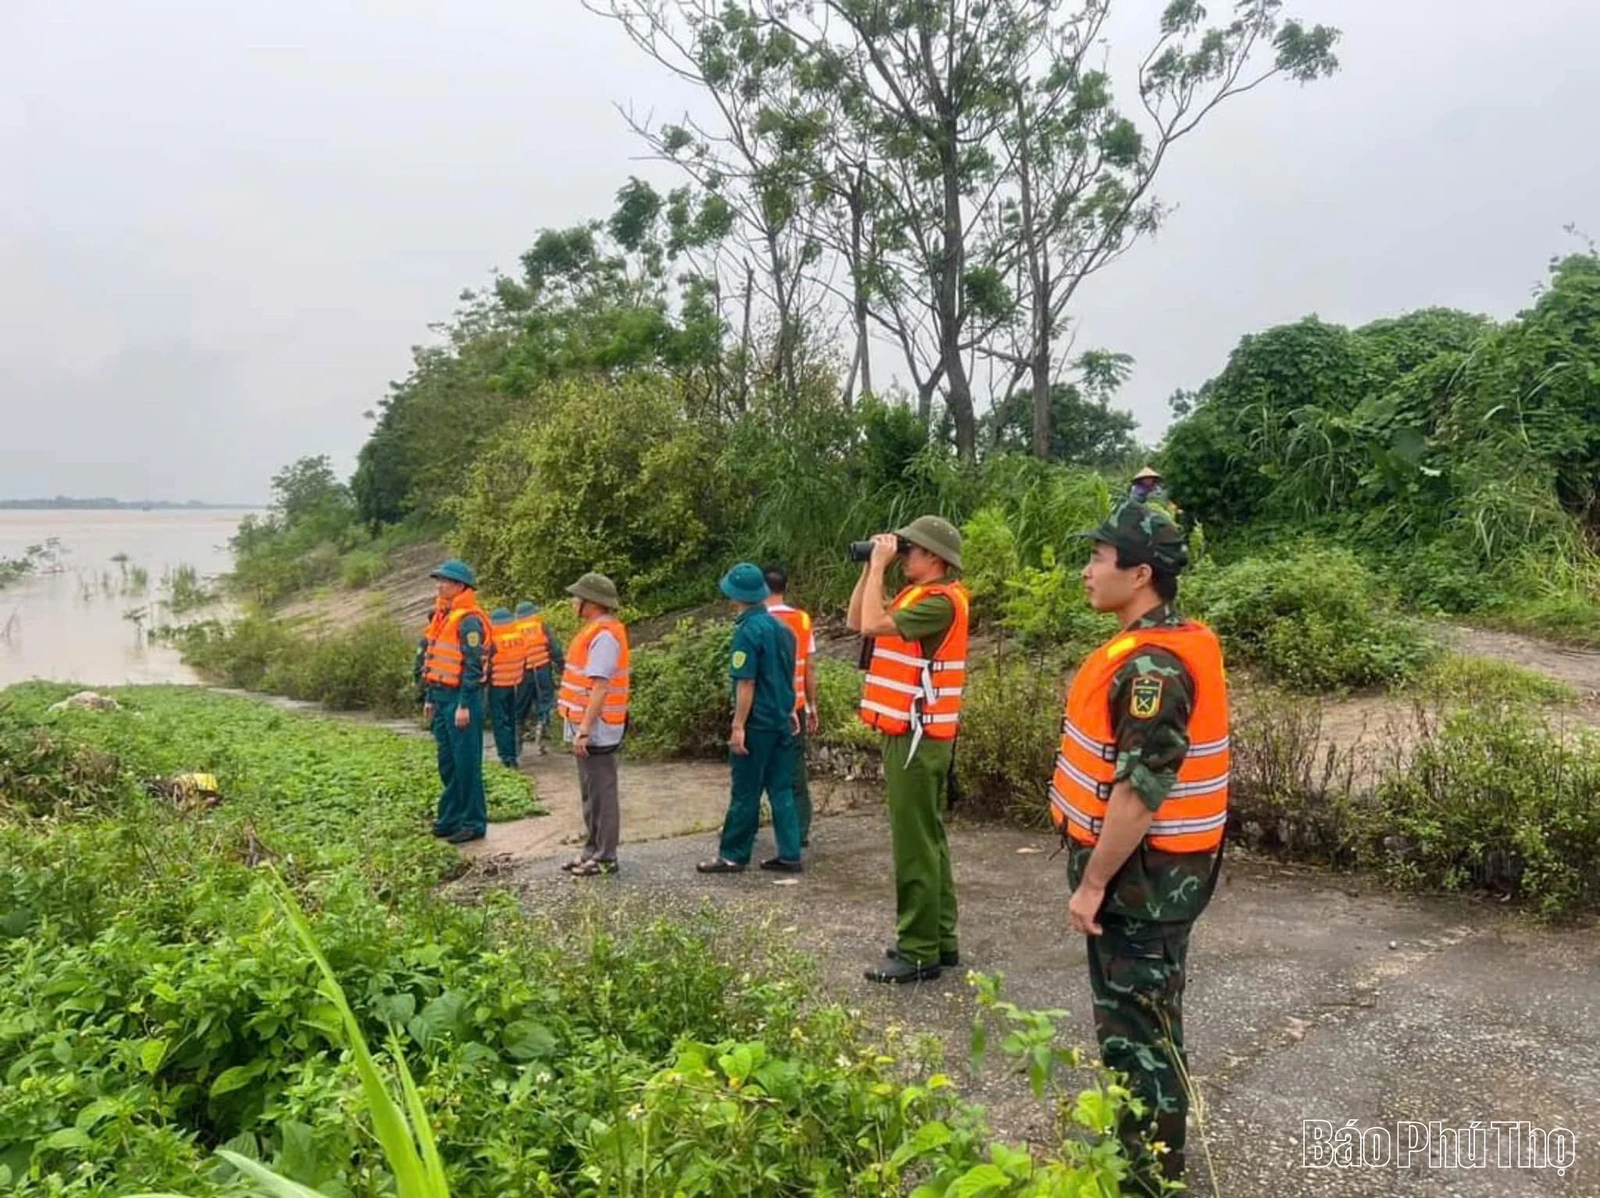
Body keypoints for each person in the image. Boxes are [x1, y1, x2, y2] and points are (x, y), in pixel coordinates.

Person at [1053, 501, 1229, 1193]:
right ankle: (1150, 1168)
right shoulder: (1166, 646)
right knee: (1148, 1029)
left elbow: (1138, 793)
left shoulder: (1154, 668)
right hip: (1156, 882)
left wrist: (1091, 883)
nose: (1087, 572)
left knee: (1140, 1044)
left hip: (1140, 887)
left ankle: (1147, 1181)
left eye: (1099, 559)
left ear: (1141, 573)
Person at [847, 516, 970, 984]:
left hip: (916, 735)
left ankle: (918, 950)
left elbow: (874, 623)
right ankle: (941, 939)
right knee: (928, 837)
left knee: (914, 843)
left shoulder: (939, 602)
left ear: (934, 558)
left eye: (910, 549)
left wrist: (879, 562)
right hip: (913, 733)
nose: (903, 555)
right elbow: (858, 621)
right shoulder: (917, 598)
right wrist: (869, 569)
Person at [697, 563, 803, 875]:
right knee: (782, 788)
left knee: (745, 791)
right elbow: (786, 674)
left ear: (735, 596)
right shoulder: (784, 630)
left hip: (756, 723)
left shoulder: (747, 631)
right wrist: (789, 710)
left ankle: (732, 854)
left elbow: (747, 682)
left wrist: (738, 725)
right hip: (781, 719)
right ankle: (790, 853)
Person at [556, 572, 630, 877]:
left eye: (578, 596)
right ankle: (592, 850)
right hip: (585, 727)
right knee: (590, 793)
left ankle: (605, 857)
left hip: (597, 729)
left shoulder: (604, 636)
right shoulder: (595, 630)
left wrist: (585, 729)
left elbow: (600, 687)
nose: (573, 601)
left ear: (592, 602)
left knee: (602, 793)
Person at [416, 558, 493, 845]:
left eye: (444, 581)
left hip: (462, 700)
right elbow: (434, 661)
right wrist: (429, 697)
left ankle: (473, 822)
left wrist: (463, 704)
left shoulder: (469, 620)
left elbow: (472, 668)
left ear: (460, 586)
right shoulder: (443, 616)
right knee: (448, 763)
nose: (440, 585)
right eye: (439, 580)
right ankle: (451, 817)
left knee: (466, 763)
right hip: (440, 696)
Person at [764, 565, 819, 847]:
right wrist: (811, 706)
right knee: (795, 771)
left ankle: (747, 832)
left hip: (762, 711)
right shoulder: (803, 620)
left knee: (756, 773)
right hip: (795, 707)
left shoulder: (755, 622)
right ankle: (799, 831)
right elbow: (809, 667)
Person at [513, 600, 566, 755]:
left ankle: (516, 744)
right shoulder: (540, 625)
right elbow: (554, 647)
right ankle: (542, 727)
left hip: (523, 673)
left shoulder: (513, 629)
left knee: (520, 707)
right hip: (542, 668)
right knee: (545, 701)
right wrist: (561, 665)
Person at [486, 608, 526, 768]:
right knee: (513, 720)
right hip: (516, 682)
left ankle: (506, 757)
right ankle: (514, 755)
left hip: (498, 684)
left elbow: (486, 663)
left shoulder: (493, 638)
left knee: (500, 722)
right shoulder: (519, 636)